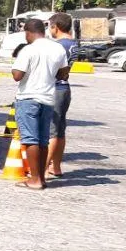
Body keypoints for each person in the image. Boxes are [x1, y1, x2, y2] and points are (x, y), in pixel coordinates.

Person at [11, 18, 69, 190]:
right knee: (43, 140)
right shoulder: (58, 48)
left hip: (28, 98)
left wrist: (14, 67)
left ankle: (34, 179)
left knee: (30, 139)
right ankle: (41, 177)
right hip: (48, 98)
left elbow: (17, 76)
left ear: (28, 32)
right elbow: (63, 74)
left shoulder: (29, 50)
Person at [46, 12, 79, 177]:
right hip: (65, 88)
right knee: (60, 130)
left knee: (51, 131)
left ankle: (41, 169)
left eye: (49, 26)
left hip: (55, 88)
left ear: (55, 27)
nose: (49, 30)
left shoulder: (58, 46)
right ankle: (56, 166)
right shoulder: (72, 43)